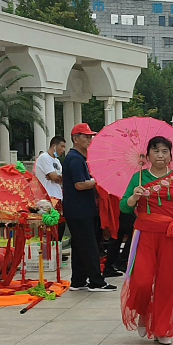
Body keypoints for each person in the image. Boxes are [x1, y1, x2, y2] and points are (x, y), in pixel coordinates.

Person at [120, 136, 173, 345]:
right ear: (147, 155)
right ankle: (144, 313)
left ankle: (162, 328)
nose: (160, 155)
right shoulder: (139, 178)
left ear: (171, 155)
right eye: (156, 151)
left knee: (167, 284)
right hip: (144, 234)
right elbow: (124, 207)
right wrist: (134, 198)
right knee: (142, 281)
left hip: (171, 235)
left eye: (165, 151)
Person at [62, 123, 115, 292]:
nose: (89, 139)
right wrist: (97, 181)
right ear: (75, 139)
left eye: (90, 136)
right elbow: (79, 184)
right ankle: (96, 281)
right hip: (79, 210)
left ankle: (78, 281)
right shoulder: (75, 159)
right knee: (90, 246)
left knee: (79, 247)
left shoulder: (78, 157)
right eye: (86, 136)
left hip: (78, 209)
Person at [34, 136, 66, 200]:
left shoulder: (57, 161)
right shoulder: (44, 157)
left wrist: (60, 178)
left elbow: (63, 178)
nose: (63, 150)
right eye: (62, 146)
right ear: (54, 146)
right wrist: (57, 177)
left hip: (58, 197)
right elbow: (55, 178)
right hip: (47, 197)